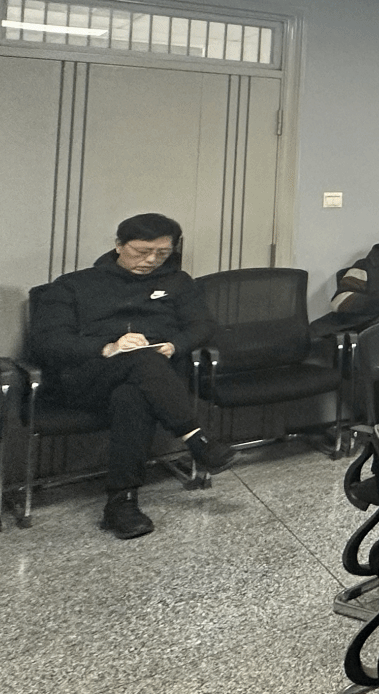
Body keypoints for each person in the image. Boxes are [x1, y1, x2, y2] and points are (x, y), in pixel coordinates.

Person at [29, 213, 233, 539]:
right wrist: (108, 347)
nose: (151, 260)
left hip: (152, 382)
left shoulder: (178, 282)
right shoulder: (74, 285)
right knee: (140, 361)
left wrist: (174, 345)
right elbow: (47, 342)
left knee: (133, 394)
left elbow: (203, 326)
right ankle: (196, 438)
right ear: (119, 245)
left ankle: (122, 504)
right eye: (141, 251)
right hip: (87, 379)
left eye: (162, 253)